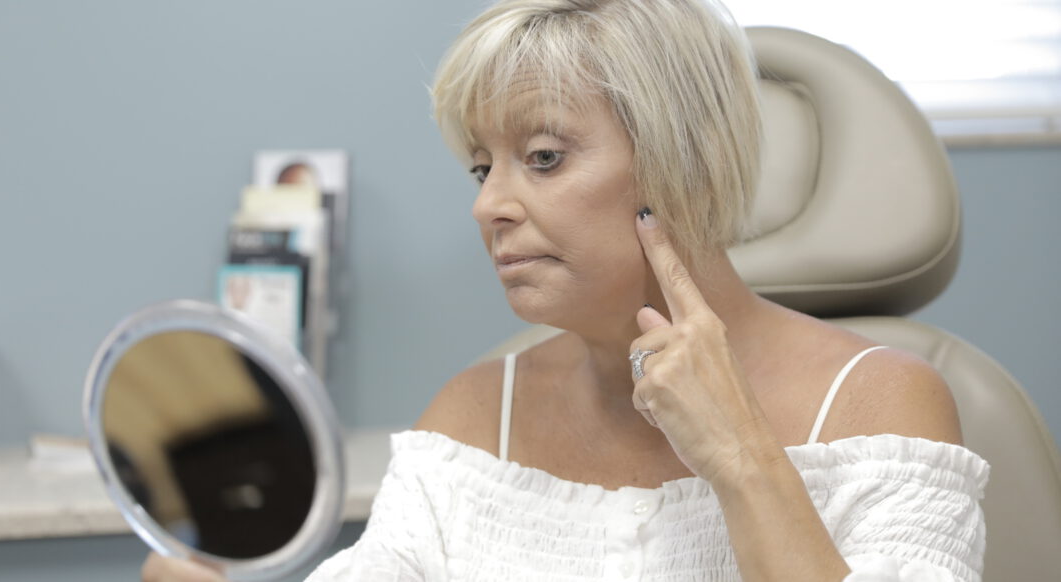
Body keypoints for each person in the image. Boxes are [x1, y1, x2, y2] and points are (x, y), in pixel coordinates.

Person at [143, 0, 989, 580]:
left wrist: (738, 457)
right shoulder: (472, 425)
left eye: (544, 157)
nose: (489, 206)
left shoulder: (884, 405)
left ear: (680, 160)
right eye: (482, 167)